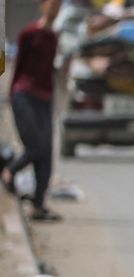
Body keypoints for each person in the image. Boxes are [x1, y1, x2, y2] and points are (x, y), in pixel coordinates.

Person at [2, 0, 63, 221]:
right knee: (35, 146)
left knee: (46, 153)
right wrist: (11, 95)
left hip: (44, 99)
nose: (55, 10)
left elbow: (51, 72)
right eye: (52, 5)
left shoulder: (53, 37)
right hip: (24, 94)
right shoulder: (29, 33)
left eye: (58, 6)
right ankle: (10, 171)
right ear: (43, 6)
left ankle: (38, 205)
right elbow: (18, 66)